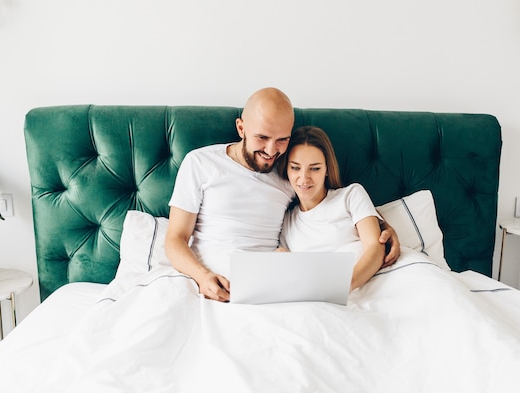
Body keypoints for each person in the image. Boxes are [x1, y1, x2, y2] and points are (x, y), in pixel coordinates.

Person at [165, 87, 399, 302]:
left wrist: (384, 227)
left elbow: (334, 198)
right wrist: (202, 277)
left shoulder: (287, 172)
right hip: (209, 281)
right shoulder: (200, 163)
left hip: (267, 286)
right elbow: (175, 238)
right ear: (241, 128)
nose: (270, 151)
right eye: (262, 138)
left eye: (282, 140)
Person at [278, 126, 384, 291]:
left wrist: (343, 286)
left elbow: (375, 247)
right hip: (319, 297)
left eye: (315, 168)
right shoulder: (286, 222)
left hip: (366, 285)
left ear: (327, 169)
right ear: (286, 169)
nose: (304, 178)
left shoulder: (350, 196)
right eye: (295, 167)